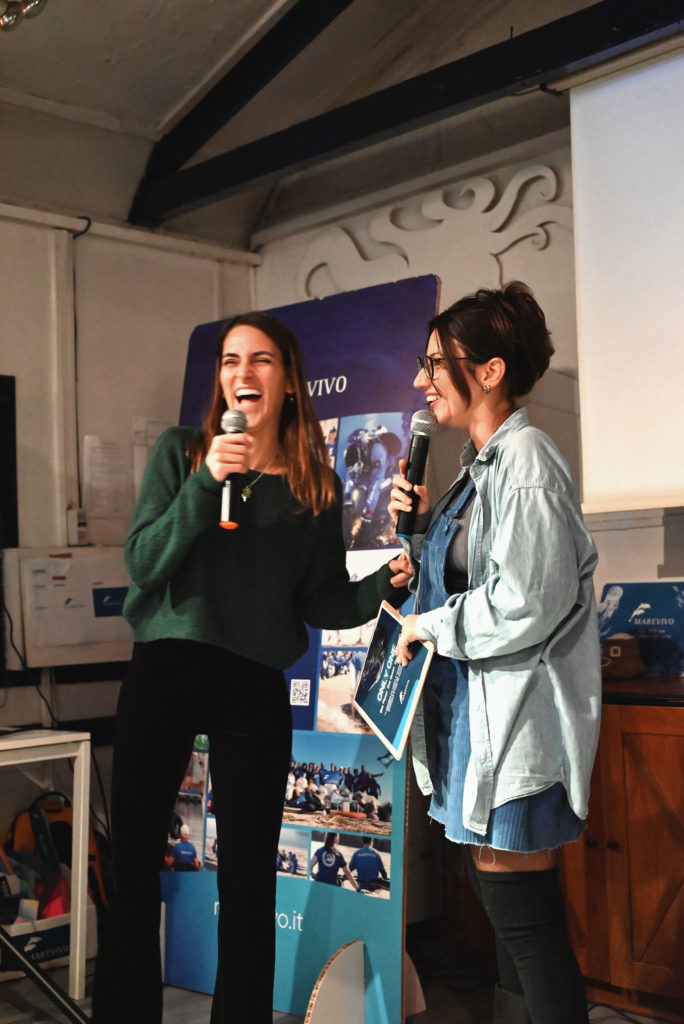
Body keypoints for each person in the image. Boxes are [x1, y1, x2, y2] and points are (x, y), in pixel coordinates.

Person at [94, 311, 410, 1024]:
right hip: (166, 667)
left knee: (247, 878)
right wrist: (207, 480)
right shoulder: (183, 453)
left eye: (260, 359)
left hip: (251, 685)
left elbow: (322, 599)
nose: (242, 373)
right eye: (231, 360)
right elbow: (144, 562)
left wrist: (382, 585)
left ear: (289, 380)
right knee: (134, 860)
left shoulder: (315, 486)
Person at [388, 282, 601, 1024]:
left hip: (515, 729)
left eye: (434, 363)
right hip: (478, 725)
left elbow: (525, 601)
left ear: (489, 371)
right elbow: (475, 574)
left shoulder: (527, 463)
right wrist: (422, 535)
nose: (421, 380)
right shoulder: (479, 466)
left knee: (525, 924)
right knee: (510, 921)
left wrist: (430, 627)